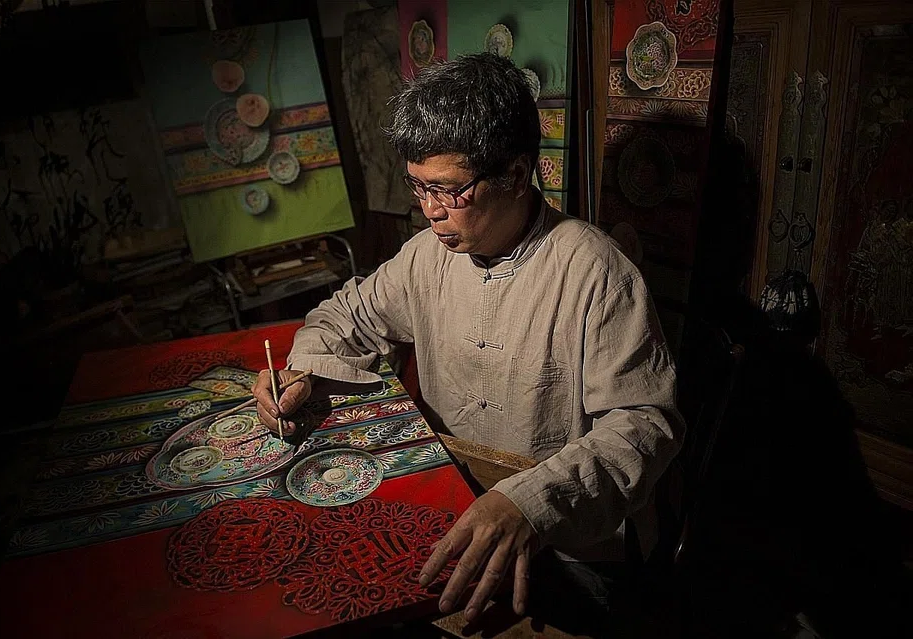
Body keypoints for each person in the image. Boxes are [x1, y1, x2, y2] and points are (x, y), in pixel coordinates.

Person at [251, 53, 682, 627]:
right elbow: (342, 317)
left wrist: (529, 503)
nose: (430, 211)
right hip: (450, 499)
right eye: (418, 186)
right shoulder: (425, 257)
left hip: (567, 541)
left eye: (448, 190)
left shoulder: (596, 273)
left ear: (516, 174)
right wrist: (302, 373)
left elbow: (643, 425)